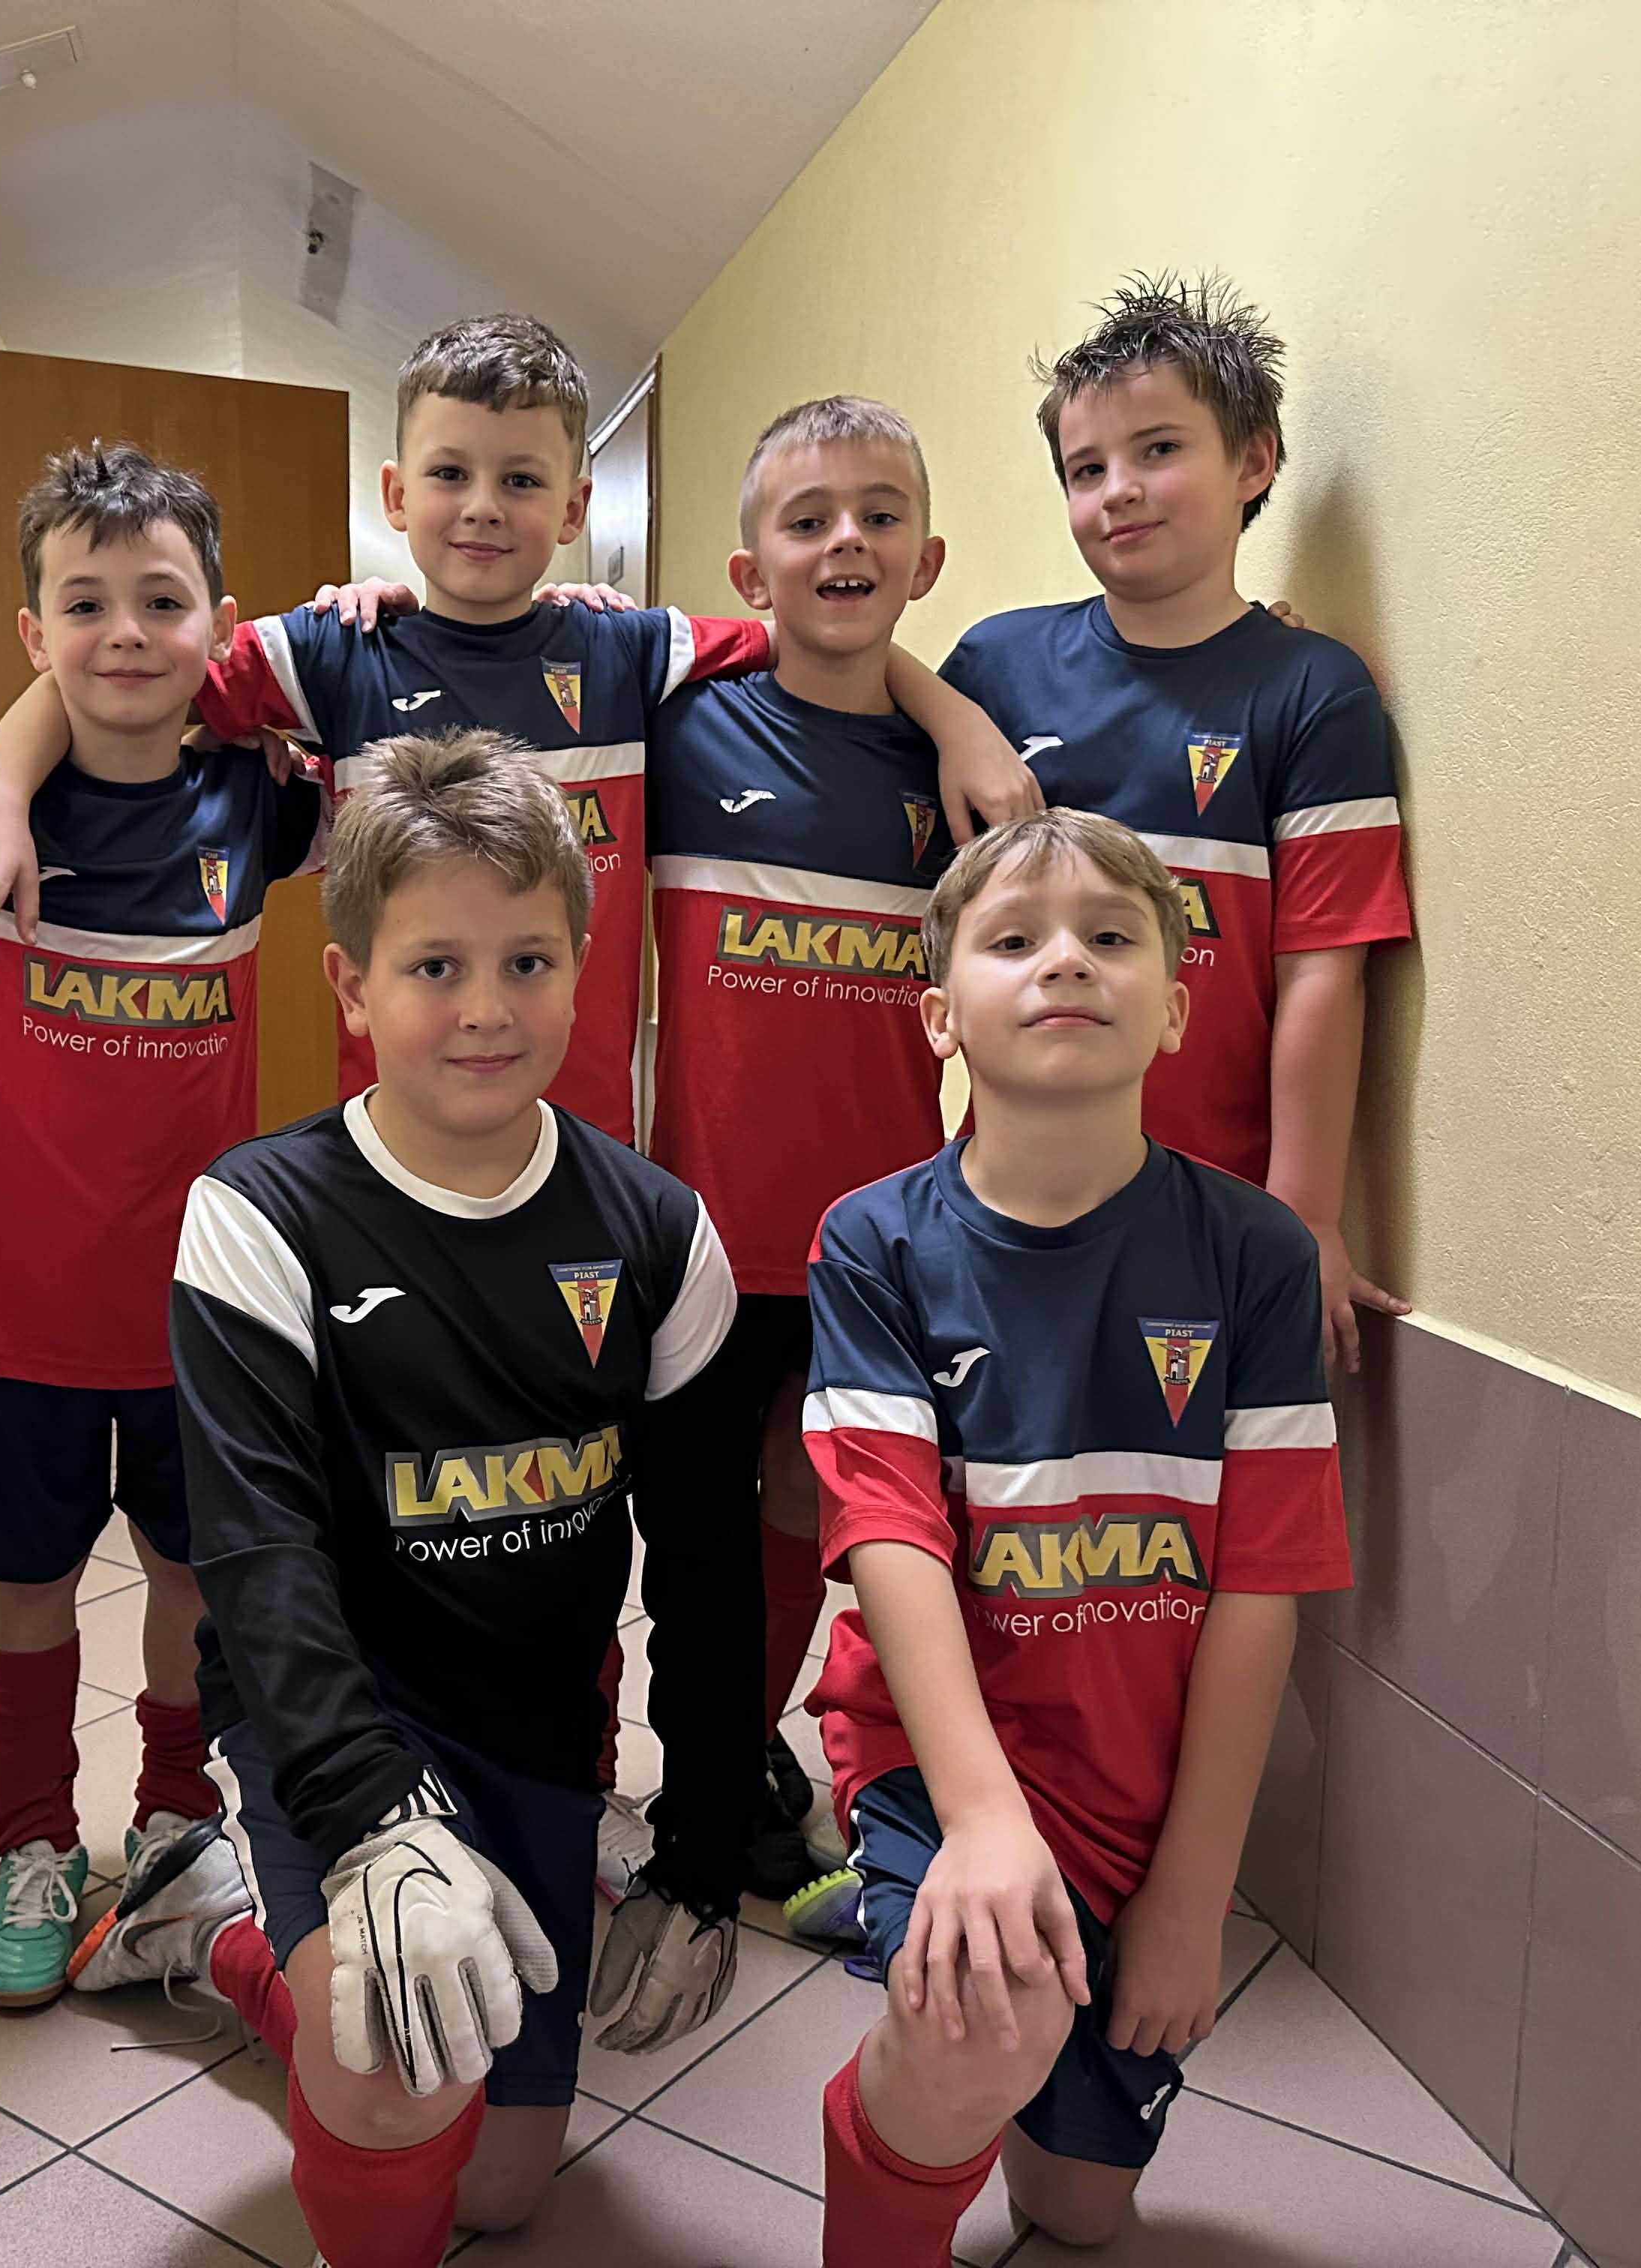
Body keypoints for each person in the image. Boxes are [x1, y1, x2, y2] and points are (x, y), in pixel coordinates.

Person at [60, 728, 759, 2266]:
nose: (487, 1009)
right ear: (352, 987)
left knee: (500, 2189)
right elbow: (257, 1557)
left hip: (536, 1729)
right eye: (436, 966)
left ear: (583, 971)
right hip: (326, 1717)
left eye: (528, 962)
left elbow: (711, 1570)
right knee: (390, 2074)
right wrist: (375, 1820)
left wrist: (704, 1855)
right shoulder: (256, 1216)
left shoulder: (659, 1234)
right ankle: (251, 1912)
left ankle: (222, 1934)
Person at [0, 312, 1034, 1148]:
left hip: (588, 1146)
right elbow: (128, 672)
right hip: (393, 1142)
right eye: (450, 473)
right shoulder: (334, 652)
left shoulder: (628, 651)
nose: (485, 504)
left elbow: (816, 632)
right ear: (397, 494)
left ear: (575, 507)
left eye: (522, 478)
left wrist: (960, 721)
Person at [0, 442, 328, 2010]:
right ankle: (32, 1843)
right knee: (29, 1588)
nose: (123, 634)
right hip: (20, 1307)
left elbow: (420, 709)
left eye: (162, 601)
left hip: (195, 1307)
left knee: (192, 1579)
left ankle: (174, 1822)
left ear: (216, 627)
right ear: (31, 632)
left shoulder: (259, 795)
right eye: (83, 603)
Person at [800, 808, 1351, 2262]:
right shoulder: (873, 1241)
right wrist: (982, 1825)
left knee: (1076, 2212)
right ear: (940, 1018)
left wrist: (1190, 1895)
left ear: (1174, 1010)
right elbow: (891, 1540)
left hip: (1144, 1788)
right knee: (981, 2032)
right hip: (945, 1761)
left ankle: (962, 2004)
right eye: (1014, 940)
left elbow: (1262, 1584)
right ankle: (906, 1970)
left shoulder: (1257, 1254)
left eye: (1110, 937)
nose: (1065, 963)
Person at [938, 274, 1413, 1376]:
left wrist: (1306, 1213)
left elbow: (1323, 971)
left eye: (1157, 450)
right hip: (1005, 1198)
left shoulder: (1315, 691)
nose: (1119, 492)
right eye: (1085, 469)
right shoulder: (994, 668)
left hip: (1221, 1212)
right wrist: (941, 706)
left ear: (1254, 462)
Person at [634, 394, 962, 1908]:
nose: (848, 541)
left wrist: (953, 716)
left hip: (877, 1240)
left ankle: (750, 1754)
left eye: (882, 516)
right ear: (746, 569)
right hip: (700, 1232)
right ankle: (679, 1778)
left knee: (807, 1505)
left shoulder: (961, 763)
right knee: (687, 1531)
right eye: (809, 518)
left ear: (928, 558)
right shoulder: (679, 723)